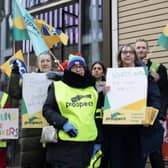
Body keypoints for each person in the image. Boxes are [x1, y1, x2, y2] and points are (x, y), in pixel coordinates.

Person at [101, 44, 164, 168]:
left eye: (130, 52)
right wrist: (104, 94)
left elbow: (155, 99)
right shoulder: (114, 76)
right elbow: (106, 103)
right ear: (120, 57)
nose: (128, 54)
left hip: (139, 129)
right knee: (117, 163)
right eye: (124, 52)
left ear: (135, 56)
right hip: (117, 130)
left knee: (137, 163)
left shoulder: (145, 76)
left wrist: (149, 117)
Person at [42, 53, 103, 168]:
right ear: (69, 69)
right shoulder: (57, 86)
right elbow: (47, 110)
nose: (78, 69)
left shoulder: (91, 88)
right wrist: (63, 123)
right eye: (74, 66)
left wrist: (98, 141)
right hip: (66, 143)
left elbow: (97, 116)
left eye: (81, 66)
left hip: (88, 144)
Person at [135, 38, 168, 168]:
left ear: (148, 50)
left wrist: (160, 116)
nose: (141, 50)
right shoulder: (129, 68)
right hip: (135, 116)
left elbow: (165, 93)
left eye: (143, 47)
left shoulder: (158, 67)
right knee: (138, 155)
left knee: (155, 154)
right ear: (134, 50)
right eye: (138, 48)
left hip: (153, 115)